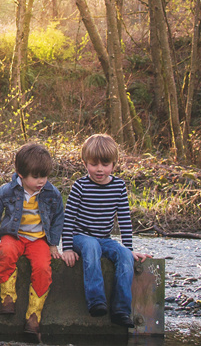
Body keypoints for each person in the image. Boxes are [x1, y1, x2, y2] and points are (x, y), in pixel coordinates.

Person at [61, 133, 152, 329]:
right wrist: (67, 248)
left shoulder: (118, 186)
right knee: (91, 246)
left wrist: (129, 249)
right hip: (81, 237)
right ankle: (96, 301)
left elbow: (125, 220)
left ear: (114, 164)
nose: (99, 169)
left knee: (124, 257)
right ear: (85, 163)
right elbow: (67, 219)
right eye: (94, 164)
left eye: (105, 164)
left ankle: (120, 309)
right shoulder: (80, 186)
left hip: (104, 238)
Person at [0, 142, 64, 338]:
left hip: (38, 240)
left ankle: (34, 316)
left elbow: (58, 219)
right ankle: (8, 297)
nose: (41, 181)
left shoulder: (52, 194)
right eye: (35, 177)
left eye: (44, 176)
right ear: (20, 174)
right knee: (6, 253)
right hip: (14, 236)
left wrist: (53, 244)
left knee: (43, 267)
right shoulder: (6, 191)